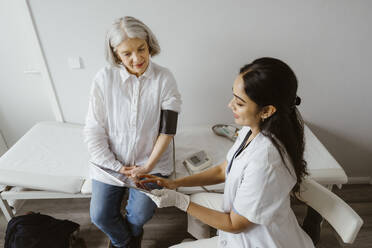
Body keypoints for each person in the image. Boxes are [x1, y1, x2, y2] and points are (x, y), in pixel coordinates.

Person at [140, 57, 315, 247]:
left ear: (266, 111)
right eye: (233, 97)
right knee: (198, 199)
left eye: (239, 103)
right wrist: (174, 183)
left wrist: (180, 201)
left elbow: (234, 224)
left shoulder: (266, 162)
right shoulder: (252, 129)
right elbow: (223, 170)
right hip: (245, 223)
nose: (230, 105)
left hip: (258, 241)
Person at [83, 16, 182, 248]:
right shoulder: (103, 78)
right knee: (100, 216)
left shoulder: (164, 78)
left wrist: (147, 167)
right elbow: (93, 129)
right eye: (127, 53)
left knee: (139, 215)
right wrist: (116, 166)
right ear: (115, 53)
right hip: (110, 164)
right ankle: (126, 242)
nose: (137, 58)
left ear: (149, 45)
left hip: (152, 163)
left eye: (141, 49)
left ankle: (129, 236)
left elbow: (168, 131)